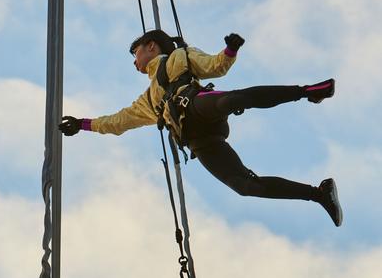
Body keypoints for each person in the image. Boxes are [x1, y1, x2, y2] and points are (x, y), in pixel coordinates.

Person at [58, 29, 342, 226]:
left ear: (151, 46)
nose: (134, 62)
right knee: (244, 186)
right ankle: (319, 193)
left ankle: (307, 91)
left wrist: (230, 50)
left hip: (195, 105)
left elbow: (216, 66)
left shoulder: (180, 57)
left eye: (135, 53)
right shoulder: (148, 100)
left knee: (234, 99)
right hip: (198, 140)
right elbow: (117, 122)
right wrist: (82, 125)